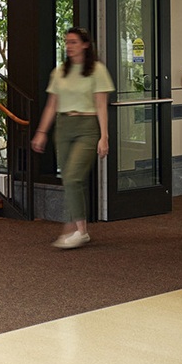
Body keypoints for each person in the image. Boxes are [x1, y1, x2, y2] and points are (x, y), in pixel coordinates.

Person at [31, 27, 115, 250]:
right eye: (67, 42)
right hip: (64, 127)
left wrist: (104, 136)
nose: (69, 46)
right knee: (69, 178)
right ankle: (78, 229)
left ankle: (77, 231)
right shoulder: (60, 72)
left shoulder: (97, 70)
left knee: (73, 177)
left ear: (85, 44)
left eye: (74, 42)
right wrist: (41, 132)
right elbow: (52, 105)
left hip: (87, 127)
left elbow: (101, 106)